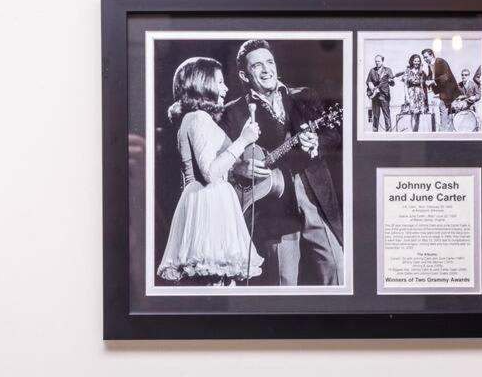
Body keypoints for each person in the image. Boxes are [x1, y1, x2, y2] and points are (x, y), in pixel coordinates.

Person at [220, 39, 343, 286]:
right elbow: (222, 159)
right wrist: (238, 168)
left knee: (336, 267)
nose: (267, 70)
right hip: (271, 203)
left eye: (270, 62)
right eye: (257, 65)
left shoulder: (304, 96)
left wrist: (316, 143)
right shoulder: (233, 111)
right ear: (244, 75)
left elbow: (333, 136)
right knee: (283, 280)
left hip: (312, 190)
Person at [157, 57, 264, 285]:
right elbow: (210, 173)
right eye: (220, 82)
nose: (225, 88)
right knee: (213, 280)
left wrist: (241, 164)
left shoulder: (196, 119)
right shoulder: (198, 118)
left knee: (217, 279)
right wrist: (243, 140)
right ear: (203, 83)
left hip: (207, 201)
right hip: (208, 203)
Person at [421, 48, 460, 131]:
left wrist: (433, 81)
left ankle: (442, 131)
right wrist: (428, 81)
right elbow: (432, 76)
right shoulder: (430, 65)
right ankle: (449, 131)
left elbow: (446, 76)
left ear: (431, 55)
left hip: (448, 91)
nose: (424, 59)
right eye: (423, 58)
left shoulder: (440, 62)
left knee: (443, 109)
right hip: (443, 92)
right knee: (448, 112)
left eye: (426, 57)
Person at [366, 55, 395, 131]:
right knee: (375, 116)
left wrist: (391, 81)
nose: (377, 63)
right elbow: (368, 81)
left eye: (378, 61)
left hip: (384, 96)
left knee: (386, 115)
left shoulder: (388, 70)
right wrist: (372, 87)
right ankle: (375, 133)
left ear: (382, 61)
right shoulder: (372, 70)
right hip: (375, 96)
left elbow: (392, 84)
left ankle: (388, 133)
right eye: (376, 61)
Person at [403, 54, 429, 131]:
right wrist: (407, 97)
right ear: (412, 61)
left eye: (418, 61)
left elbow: (424, 86)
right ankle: (412, 132)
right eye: (415, 61)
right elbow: (405, 85)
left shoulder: (422, 72)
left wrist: (424, 97)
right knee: (412, 114)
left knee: (418, 115)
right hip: (411, 94)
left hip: (420, 94)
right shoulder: (408, 71)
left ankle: (416, 131)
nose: (416, 63)